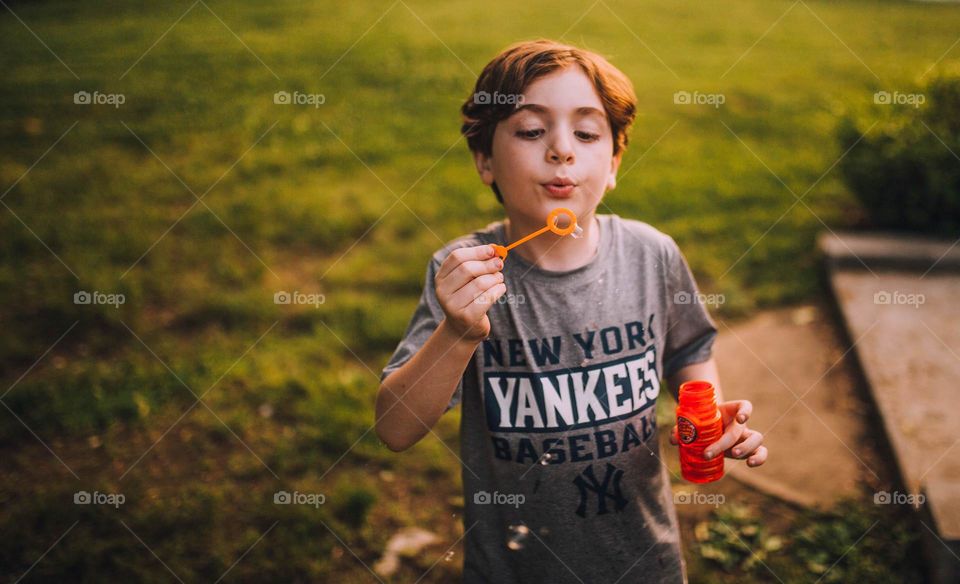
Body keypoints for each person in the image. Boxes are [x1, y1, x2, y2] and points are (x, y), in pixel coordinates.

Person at [375, 39, 767, 583]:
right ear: (484, 160)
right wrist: (457, 334)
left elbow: (689, 348)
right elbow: (396, 429)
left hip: (643, 561)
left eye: (586, 133)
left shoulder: (651, 255)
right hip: (514, 568)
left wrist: (707, 414)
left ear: (613, 164)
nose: (562, 150)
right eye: (532, 131)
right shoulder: (463, 274)